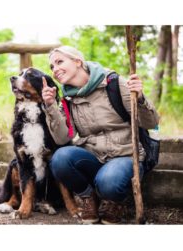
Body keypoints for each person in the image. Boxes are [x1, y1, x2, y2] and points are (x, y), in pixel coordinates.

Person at [42, 45, 159, 224]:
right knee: (60, 158)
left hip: (125, 155)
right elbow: (62, 138)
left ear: (77, 61)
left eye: (59, 62)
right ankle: (89, 199)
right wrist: (50, 106)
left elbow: (151, 122)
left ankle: (114, 201)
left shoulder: (114, 83)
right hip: (93, 157)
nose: (55, 69)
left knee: (109, 182)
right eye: (52, 66)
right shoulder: (67, 99)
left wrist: (140, 97)